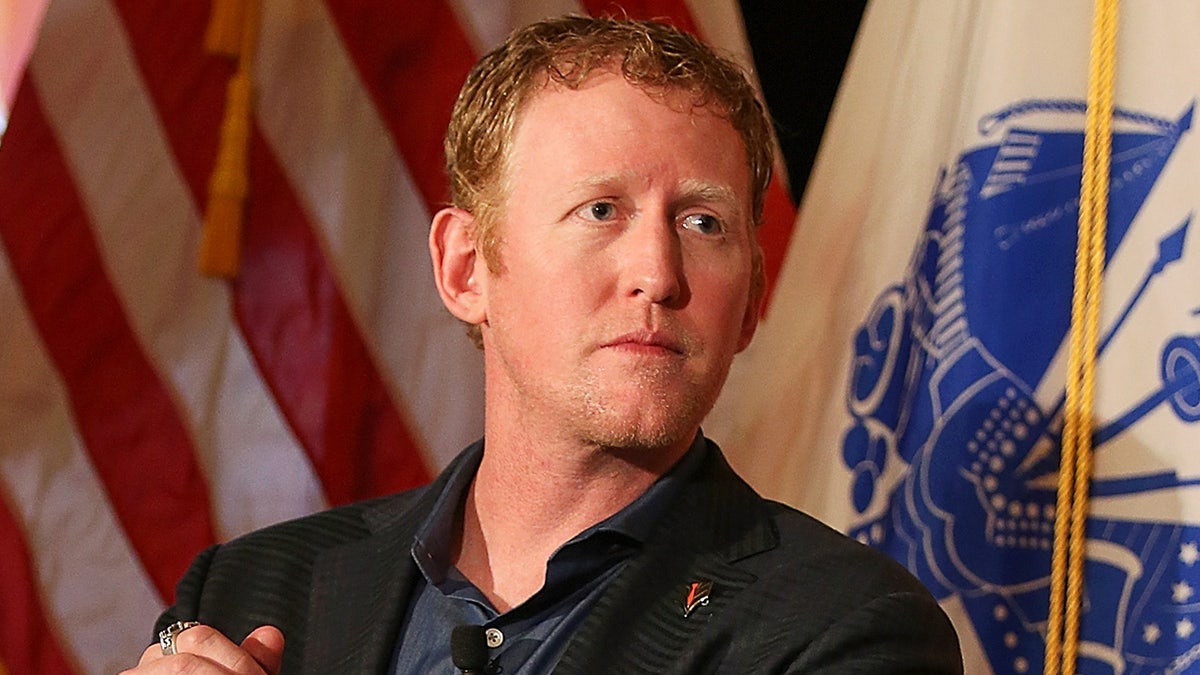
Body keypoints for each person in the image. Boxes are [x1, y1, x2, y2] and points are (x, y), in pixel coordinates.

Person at [124, 14, 962, 675]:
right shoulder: (248, 592)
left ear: (750, 305)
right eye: (602, 210)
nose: (659, 273)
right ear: (465, 267)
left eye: (703, 223)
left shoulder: (844, 629)